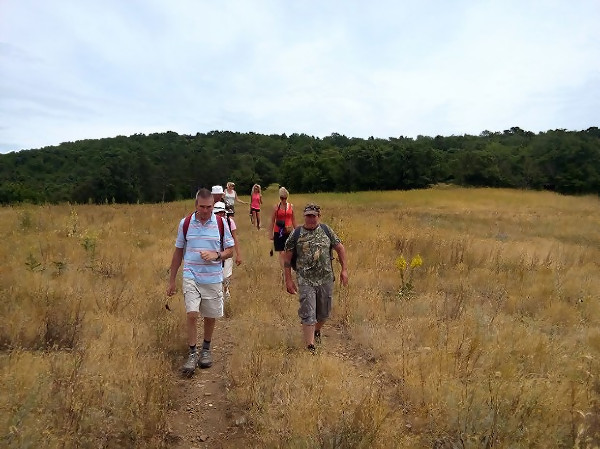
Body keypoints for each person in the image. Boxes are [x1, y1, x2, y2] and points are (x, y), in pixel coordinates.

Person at [167, 188, 235, 377]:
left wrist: (216, 255)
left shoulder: (221, 223)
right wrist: (172, 280)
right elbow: (178, 252)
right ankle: (192, 352)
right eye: (202, 207)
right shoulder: (186, 223)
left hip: (213, 277)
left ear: (213, 206)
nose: (206, 211)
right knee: (192, 313)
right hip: (191, 275)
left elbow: (230, 250)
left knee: (210, 315)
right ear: (196, 205)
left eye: (209, 207)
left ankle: (206, 348)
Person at [283, 203, 348, 354]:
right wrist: (288, 279)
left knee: (324, 313)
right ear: (304, 217)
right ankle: (310, 346)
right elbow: (287, 257)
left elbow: (340, 248)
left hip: (325, 279)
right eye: (308, 216)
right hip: (305, 280)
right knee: (308, 311)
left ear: (319, 216)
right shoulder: (296, 234)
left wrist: (344, 270)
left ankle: (317, 330)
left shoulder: (326, 230)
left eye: (313, 216)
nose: (311, 219)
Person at [213, 201, 242, 300]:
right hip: (215, 255)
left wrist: (238, 255)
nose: (220, 215)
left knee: (226, 276)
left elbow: (235, 238)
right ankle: (219, 296)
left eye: (222, 212)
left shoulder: (229, 222)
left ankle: (226, 290)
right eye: (218, 213)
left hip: (227, 254)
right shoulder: (211, 223)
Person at [270, 187, 296, 270]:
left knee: (288, 251)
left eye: (285, 198)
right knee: (281, 252)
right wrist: (270, 233)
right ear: (280, 198)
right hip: (279, 232)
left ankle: (287, 267)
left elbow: (293, 219)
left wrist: (297, 231)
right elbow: (272, 220)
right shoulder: (276, 207)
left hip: (288, 231)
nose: (284, 200)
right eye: (282, 198)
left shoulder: (291, 206)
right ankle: (284, 270)